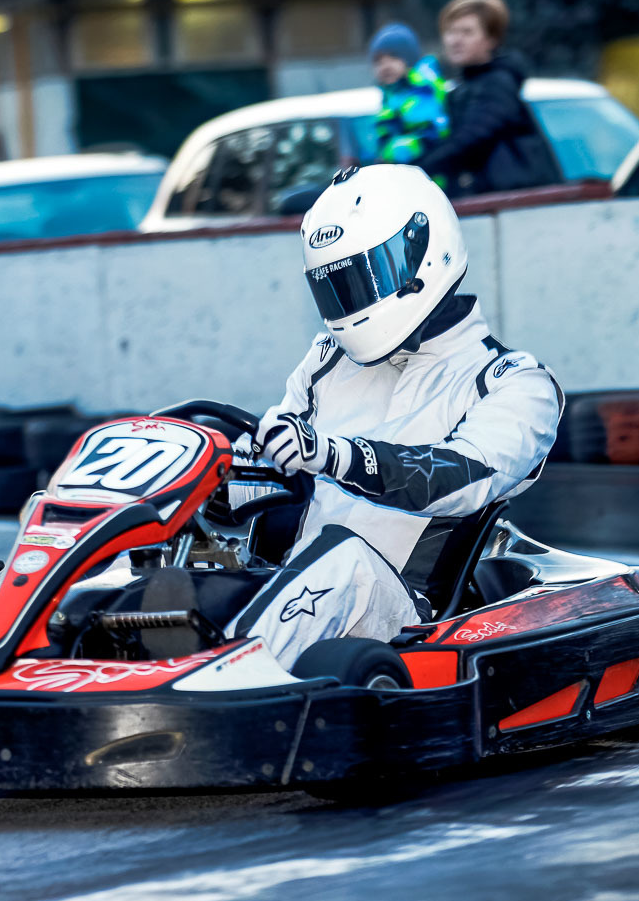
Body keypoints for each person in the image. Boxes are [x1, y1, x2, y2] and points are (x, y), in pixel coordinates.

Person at [230, 163, 563, 669]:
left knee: (345, 558)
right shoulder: (327, 364)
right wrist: (223, 476)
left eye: (363, 279)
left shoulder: (513, 381)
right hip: (294, 593)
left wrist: (333, 455)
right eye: (338, 286)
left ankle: (227, 676)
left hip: (406, 619)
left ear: (421, 253)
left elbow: (460, 479)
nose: (351, 301)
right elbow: (264, 483)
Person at [415, 0, 561, 198]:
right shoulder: (463, 87)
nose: (455, 40)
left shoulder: (497, 83)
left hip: (517, 202)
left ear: (491, 40)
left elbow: (471, 137)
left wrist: (415, 169)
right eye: (450, 31)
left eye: (467, 32)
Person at [368, 23, 449, 166]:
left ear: (410, 60)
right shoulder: (390, 97)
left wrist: (391, 154)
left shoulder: (424, 89)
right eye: (378, 61)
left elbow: (432, 134)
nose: (385, 66)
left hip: (430, 175)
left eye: (393, 57)